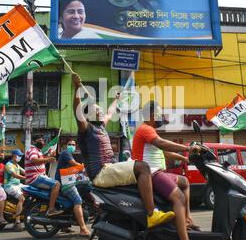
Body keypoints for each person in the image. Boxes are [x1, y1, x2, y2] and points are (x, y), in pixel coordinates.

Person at [72, 73, 174, 229]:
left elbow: (111, 112)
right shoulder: (86, 128)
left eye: (99, 109)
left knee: (145, 173)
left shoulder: (101, 127)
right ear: (87, 115)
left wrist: (117, 100)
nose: (100, 111)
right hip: (101, 173)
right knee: (143, 167)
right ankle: (152, 214)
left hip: (110, 168)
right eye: (96, 110)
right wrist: (77, 88)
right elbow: (77, 111)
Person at [132, 101, 202, 240]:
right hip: (152, 174)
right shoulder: (145, 129)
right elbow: (162, 144)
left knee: (185, 182)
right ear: (150, 115)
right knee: (179, 198)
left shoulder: (150, 131)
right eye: (158, 114)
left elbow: (162, 152)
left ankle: (187, 219)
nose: (160, 117)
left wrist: (183, 157)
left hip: (158, 172)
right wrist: (187, 148)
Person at [55, 139, 91, 237]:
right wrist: (84, 167)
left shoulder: (68, 154)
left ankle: (64, 225)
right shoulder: (66, 153)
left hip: (67, 180)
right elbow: (73, 163)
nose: (71, 146)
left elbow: (73, 169)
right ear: (65, 145)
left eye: (73, 144)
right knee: (78, 201)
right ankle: (83, 229)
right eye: (69, 144)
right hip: (65, 182)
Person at [25, 134, 63, 217]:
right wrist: (48, 159)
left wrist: (48, 157)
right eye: (40, 140)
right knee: (56, 184)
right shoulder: (33, 150)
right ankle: (51, 209)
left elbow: (40, 161)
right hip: (35, 178)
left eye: (42, 140)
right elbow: (34, 160)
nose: (42, 142)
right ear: (34, 142)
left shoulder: (38, 151)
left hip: (40, 177)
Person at [4, 149, 26, 230]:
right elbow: (14, 175)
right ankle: (17, 221)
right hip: (10, 186)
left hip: (18, 185)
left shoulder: (17, 165)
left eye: (20, 156)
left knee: (31, 192)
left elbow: (25, 172)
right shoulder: (9, 164)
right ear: (13, 156)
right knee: (21, 198)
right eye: (19, 155)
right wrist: (25, 178)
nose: (20, 157)